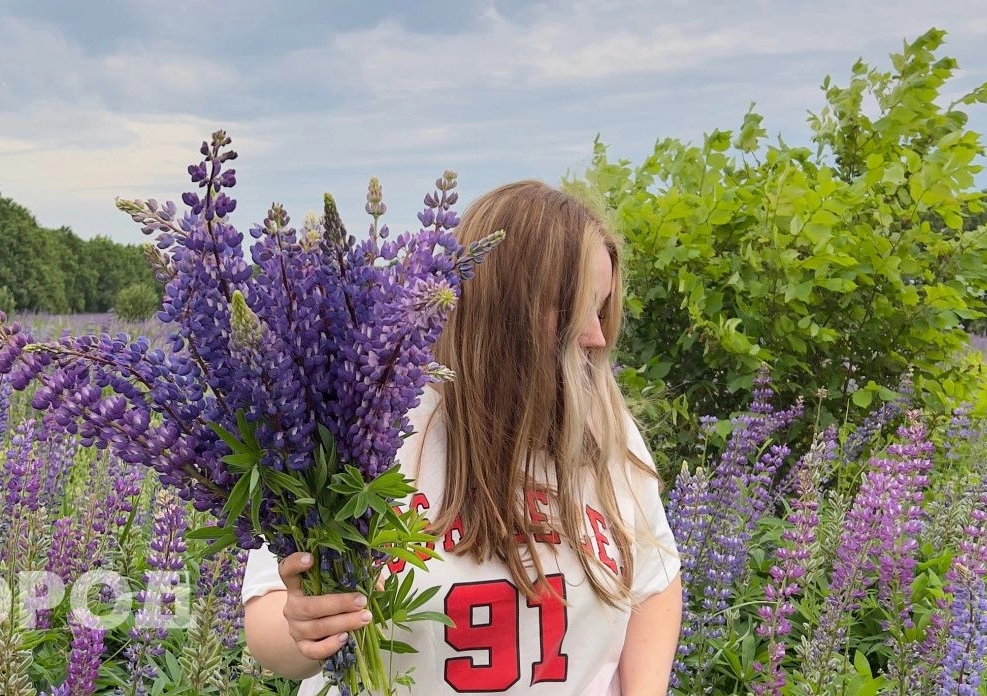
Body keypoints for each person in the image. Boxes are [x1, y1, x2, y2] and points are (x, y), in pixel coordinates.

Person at [241, 180, 683, 695]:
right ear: (507, 312)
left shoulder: (600, 421)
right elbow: (268, 618)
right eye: (577, 309)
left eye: (601, 307)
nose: (597, 336)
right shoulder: (366, 425)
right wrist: (303, 630)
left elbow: (654, 581)